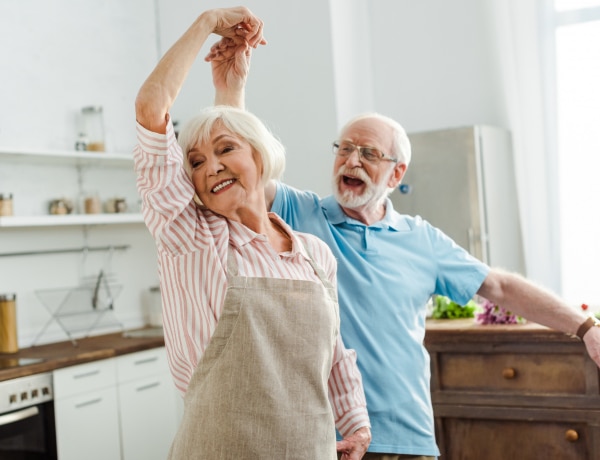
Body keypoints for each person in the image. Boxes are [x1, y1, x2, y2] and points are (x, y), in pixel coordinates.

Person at [205, 34, 600, 459]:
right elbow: (242, 175)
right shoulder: (299, 213)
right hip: (324, 439)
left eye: (369, 153)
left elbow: (499, 287)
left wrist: (585, 327)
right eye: (345, 149)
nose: (351, 161)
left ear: (396, 175)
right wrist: (231, 89)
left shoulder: (421, 238)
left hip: (410, 439)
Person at [133, 7, 371, 460]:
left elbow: (335, 355)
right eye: (196, 163)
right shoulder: (192, 238)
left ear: (262, 158)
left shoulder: (315, 255)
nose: (212, 166)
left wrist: (356, 423)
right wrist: (206, 24)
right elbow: (151, 109)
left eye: (226, 151)